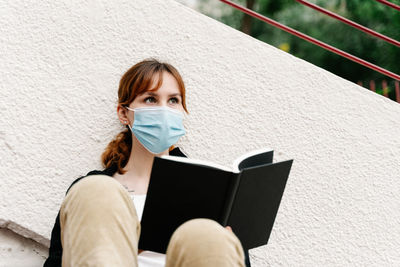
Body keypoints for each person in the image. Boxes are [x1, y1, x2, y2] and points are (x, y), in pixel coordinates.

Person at [44, 59, 251, 267]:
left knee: (205, 235)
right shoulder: (93, 191)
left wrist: (228, 246)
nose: (163, 110)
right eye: (151, 99)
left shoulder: (210, 189)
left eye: (173, 101)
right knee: (95, 191)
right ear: (124, 113)